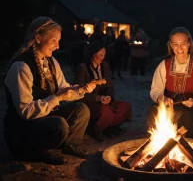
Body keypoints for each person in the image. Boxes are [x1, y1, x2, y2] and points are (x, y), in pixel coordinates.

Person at [3, 16, 97, 165]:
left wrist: (82, 89)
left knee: (81, 110)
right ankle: (39, 151)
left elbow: (64, 89)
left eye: (58, 41)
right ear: (38, 38)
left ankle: (68, 145)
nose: (58, 46)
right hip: (22, 131)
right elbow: (25, 112)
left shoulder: (51, 62)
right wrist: (57, 98)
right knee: (59, 124)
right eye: (54, 40)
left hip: (45, 119)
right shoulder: (22, 67)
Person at [146, 27, 193, 139]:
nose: (179, 48)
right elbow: (155, 90)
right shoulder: (164, 65)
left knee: (187, 115)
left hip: (192, 108)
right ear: (171, 46)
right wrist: (163, 99)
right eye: (175, 44)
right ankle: (162, 141)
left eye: (183, 43)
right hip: (170, 105)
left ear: (189, 44)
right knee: (154, 111)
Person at [75, 42, 132, 142]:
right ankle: (96, 129)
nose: (102, 57)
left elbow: (109, 85)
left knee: (125, 106)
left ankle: (109, 126)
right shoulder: (83, 68)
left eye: (104, 55)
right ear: (93, 53)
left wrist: (109, 96)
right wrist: (97, 98)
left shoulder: (104, 66)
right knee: (104, 110)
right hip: (90, 101)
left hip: (104, 99)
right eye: (100, 54)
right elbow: (78, 91)